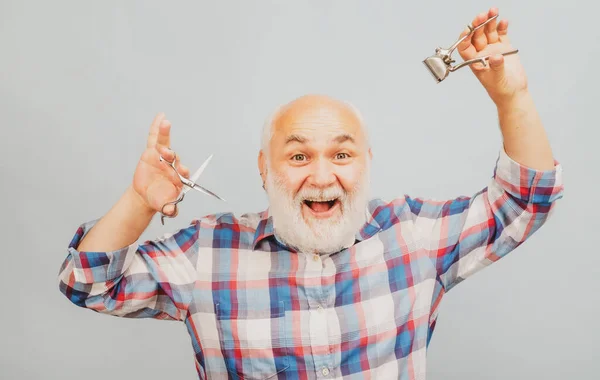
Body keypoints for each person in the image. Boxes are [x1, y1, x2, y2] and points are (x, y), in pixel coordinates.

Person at [57, 7, 563, 380]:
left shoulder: (413, 236)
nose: (322, 177)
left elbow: (524, 202)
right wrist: (139, 201)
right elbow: (88, 283)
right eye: (298, 156)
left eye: (341, 155)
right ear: (265, 169)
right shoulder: (207, 254)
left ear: (366, 164)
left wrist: (511, 97)